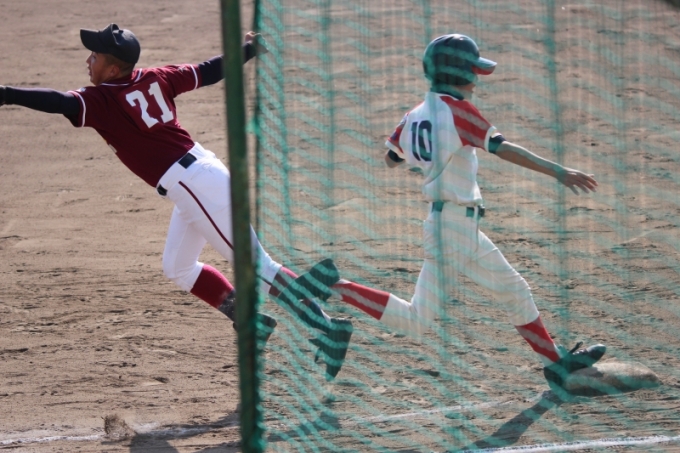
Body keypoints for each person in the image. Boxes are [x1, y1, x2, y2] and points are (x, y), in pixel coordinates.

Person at [0, 23, 356, 380]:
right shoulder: (155, 77)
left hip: (196, 185)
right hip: (197, 180)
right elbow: (208, 71)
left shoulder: (101, 101)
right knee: (178, 266)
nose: (88, 60)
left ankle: (329, 329)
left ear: (112, 69)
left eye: (95, 56)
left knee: (258, 268)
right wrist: (247, 51)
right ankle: (251, 320)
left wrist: (6, 94)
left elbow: (58, 102)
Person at [334, 34, 607, 392]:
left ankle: (554, 363)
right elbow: (502, 148)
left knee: (514, 289)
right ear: (458, 73)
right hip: (452, 228)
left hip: (458, 226)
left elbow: (391, 158)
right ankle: (335, 287)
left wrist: (432, 153)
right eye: (473, 72)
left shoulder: (415, 114)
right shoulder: (458, 111)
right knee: (417, 318)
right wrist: (559, 171)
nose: (476, 80)